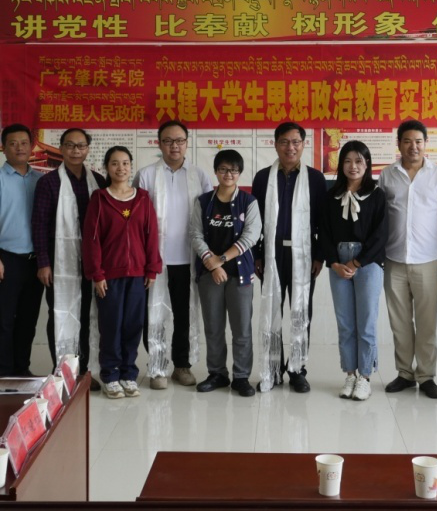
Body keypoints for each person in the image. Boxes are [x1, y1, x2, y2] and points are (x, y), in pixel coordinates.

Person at [378, 119, 437, 399]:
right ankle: (404, 373)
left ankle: (426, 375)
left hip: (428, 259)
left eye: (418, 141)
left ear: (425, 144)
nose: (413, 147)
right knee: (399, 322)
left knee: (426, 322)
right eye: (408, 141)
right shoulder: (387, 175)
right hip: (394, 258)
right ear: (398, 144)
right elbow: (380, 217)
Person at [133, 120, 211, 390]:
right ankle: (157, 367)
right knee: (153, 314)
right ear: (159, 143)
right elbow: (135, 219)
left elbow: (209, 216)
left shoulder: (199, 175)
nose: (174, 146)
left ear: (187, 143)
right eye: (168, 141)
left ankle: (182, 365)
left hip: (189, 259)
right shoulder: (146, 175)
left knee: (183, 314)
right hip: (154, 259)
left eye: (179, 141)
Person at [251, 122, 327, 393]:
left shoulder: (315, 179)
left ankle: (297, 370)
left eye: (296, 142)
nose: (290, 147)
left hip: (304, 255)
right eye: (284, 142)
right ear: (275, 145)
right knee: (272, 309)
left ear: (304, 145)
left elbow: (323, 221)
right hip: (272, 253)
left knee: (300, 312)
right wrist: (257, 254)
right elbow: (254, 221)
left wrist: (319, 255)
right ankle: (273, 369)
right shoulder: (263, 178)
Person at [83, 146, 161, 399]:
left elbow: (151, 236)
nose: (121, 168)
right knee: (111, 326)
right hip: (109, 276)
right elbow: (92, 240)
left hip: (138, 274)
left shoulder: (143, 199)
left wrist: (152, 268)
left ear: (131, 166)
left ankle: (129, 374)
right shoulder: (99, 199)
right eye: (115, 163)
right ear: (107, 167)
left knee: (133, 326)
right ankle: (110, 375)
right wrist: (97, 274)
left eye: (125, 163)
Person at [32, 128, 106, 388]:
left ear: (88, 149)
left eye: (81, 146)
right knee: (61, 313)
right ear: (61, 148)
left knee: (88, 314)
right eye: (70, 145)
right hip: (58, 261)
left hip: (91, 263)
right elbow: (39, 225)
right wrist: (43, 262)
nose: (76, 151)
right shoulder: (48, 183)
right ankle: (63, 371)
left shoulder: (98, 181)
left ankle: (85, 371)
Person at [189, 149, 262, 397]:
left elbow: (251, 236)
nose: (228, 174)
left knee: (241, 328)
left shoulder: (249, 202)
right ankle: (217, 373)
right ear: (216, 172)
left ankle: (241, 377)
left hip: (239, 274)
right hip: (209, 274)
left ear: (239, 173)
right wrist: (212, 264)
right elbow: (195, 234)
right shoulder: (203, 201)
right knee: (213, 327)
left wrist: (220, 260)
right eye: (223, 169)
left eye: (233, 170)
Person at [320, 140, 387, 401]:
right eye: (347, 161)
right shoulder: (331, 196)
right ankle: (350, 373)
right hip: (338, 262)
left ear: (367, 164)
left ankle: (365, 377)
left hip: (367, 262)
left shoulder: (377, 195)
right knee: (346, 323)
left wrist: (356, 262)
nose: (353, 166)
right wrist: (334, 262)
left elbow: (381, 235)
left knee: (366, 323)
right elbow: (324, 233)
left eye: (359, 161)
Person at [0, 124, 44, 376]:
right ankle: (2, 374)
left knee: (28, 320)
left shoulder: (40, 180)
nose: (19, 148)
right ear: (3, 148)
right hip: (6, 259)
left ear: (31, 147)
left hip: (35, 260)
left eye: (24, 143)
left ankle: (22, 370)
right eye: (13, 143)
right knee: (4, 320)